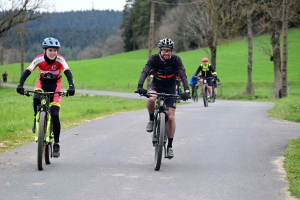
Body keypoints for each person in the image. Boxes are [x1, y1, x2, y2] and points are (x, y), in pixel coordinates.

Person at [16, 37, 75, 158]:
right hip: (41, 84)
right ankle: (36, 118)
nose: (53, 53)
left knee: (54, 114)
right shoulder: (39, 59)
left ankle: (56, 144)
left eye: (55, 50)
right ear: (44, 50)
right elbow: (28, 71)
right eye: (50, 50)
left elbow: (68, 72)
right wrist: (20, 85)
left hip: (56, 87)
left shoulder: (60, 60)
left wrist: (71, 86)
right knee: (36, 98)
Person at [136, 38, 190, 159]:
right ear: (160, 50)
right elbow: (145, 71)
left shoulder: (176, 60)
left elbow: (182, 74)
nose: (167, 53)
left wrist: (186, 90)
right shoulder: (154, 59)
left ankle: (169, 146)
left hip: (171, 87)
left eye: (169, 50)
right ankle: (151, 119)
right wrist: (140, 86)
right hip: (157, 85)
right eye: (164, 50)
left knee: (171, 117)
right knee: (150, 99)